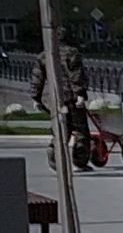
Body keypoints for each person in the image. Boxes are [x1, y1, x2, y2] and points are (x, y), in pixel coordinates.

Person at [30, 41, 91, 171]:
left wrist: (36, 97)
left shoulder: (43, 56)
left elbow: (37, 78)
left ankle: (54, 153)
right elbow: (76, 75)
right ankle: (80, 161)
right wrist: (80, 93)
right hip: (71, 97)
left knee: (61, 128)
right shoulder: (71, 53)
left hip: (53, 98)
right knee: (80, 130)